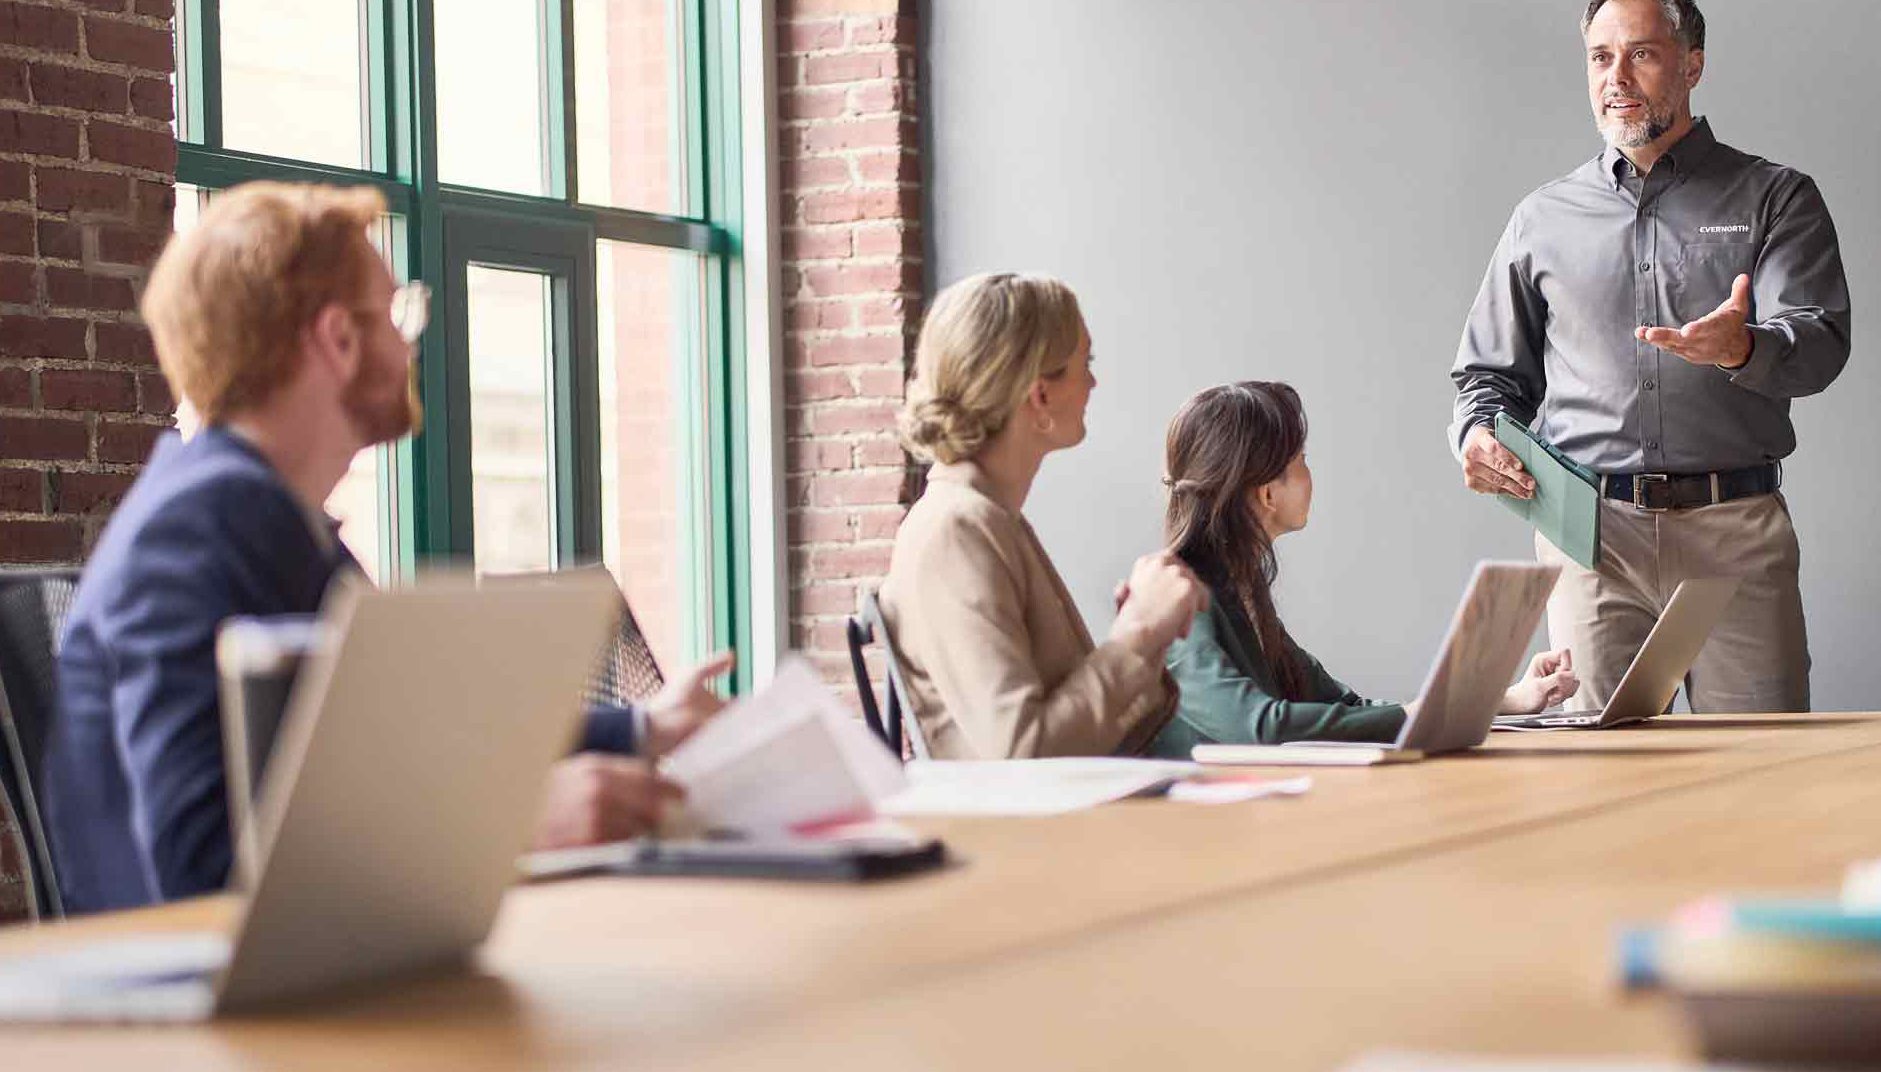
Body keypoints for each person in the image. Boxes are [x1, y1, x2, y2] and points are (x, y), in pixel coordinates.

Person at [44, 181, 730, 916]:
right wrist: (518, 828)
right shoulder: (197, 529)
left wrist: (643, 726)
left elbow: (413, 732)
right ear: (337, 339)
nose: (408, 343)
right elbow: (200, 875)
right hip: (213, 1006)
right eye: (397, 314)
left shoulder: (267, 516)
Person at [1451, 0, 1850, 714]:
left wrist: (1743, 348)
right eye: (1600, 58)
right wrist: (1476, 434)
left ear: (1692, 64)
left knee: (1760, 781)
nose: (1617, 79)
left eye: (1642, 55)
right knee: (1600, 781)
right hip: (1591, 540)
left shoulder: (1775, 197)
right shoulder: (1542, 217)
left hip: (1734, 532)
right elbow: (1487, 374)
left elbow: (1819, 343)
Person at [877, 271, 1205, 759]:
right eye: (1084, 363)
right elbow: (1023, 755)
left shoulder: (990, 519)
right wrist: (1136, 635)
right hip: (1016, 834)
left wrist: (1149, 634)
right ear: (1040, 395)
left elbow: (1098, 739)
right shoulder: (956, 529)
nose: (1093, 381)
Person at [1150, 381, 1576, 757]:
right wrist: (1414, 716)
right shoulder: (1175, 597)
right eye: (1301, 459)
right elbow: (1259, 728)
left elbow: (1349, 709)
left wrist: (1508, 698)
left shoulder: (1242, 588)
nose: (1310, 471)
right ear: (1266, 494)